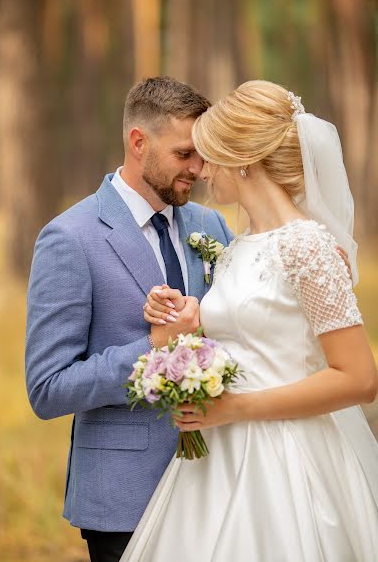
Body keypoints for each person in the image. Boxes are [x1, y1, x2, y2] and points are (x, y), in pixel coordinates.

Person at [121, 80, 378, 562]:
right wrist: (190, 325)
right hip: (217, 456)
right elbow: (254, 335)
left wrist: (236, 409)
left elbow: (360, 379)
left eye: (210, 155)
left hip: (287, 458)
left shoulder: (308, 246)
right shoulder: (239, 245)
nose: (202, 171)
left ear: (242, 159)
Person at [25, 76, 234, 562]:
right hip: (124, 501)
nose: (200, 170)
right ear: (139, 142)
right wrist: (155, 348)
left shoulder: (211, 227)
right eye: (185, 155)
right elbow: (48, 387)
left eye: (202, 155)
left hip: (218, 487)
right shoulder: (70, 238)